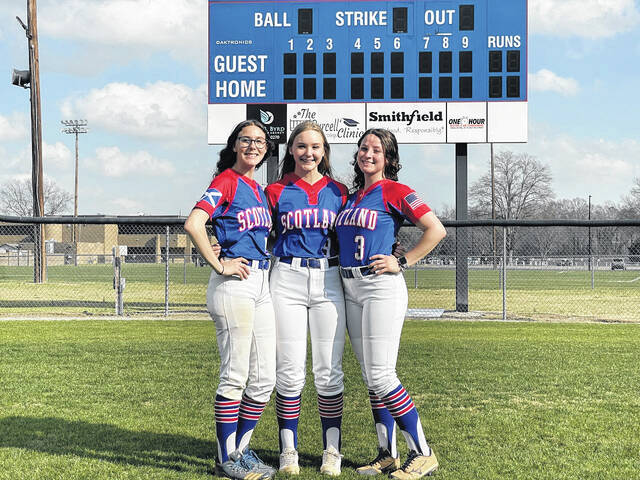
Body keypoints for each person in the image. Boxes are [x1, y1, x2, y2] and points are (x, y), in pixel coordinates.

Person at [335, 128, 446, 479]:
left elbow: (435, 229)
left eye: (376, 150)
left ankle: (423, 452)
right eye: (363, 148)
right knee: (371, 377)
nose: (368, 154)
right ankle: (387, 454)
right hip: (349, 286)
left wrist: (404, 260)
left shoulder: (396, 190)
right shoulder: (350, 198)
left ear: (389, 158)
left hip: (380, 286)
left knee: (383, 375)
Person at [184, 119, 277, 480]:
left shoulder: (256, 187)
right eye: (245, 140)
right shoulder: (225, 179)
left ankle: (239, 449)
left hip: (261, 280)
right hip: (234, 284)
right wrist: (218, 262)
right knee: (235, 374)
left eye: (259, 141)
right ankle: (226, 459)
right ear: (234, 145)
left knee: (264, 377)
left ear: (266, 148)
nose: (252, 145)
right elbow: (194, 223)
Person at [264, 121, 349, 476]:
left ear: (324, 151)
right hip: (287, 277)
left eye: (315, 146)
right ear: (291, 150)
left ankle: (332, 450)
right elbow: (257, 230)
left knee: (328, 371)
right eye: (301, 146)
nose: (308, 153)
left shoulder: (340, 191)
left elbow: (357, 228)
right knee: (289, 370)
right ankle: (289, 450)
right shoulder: (274, 190)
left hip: (329, 278)